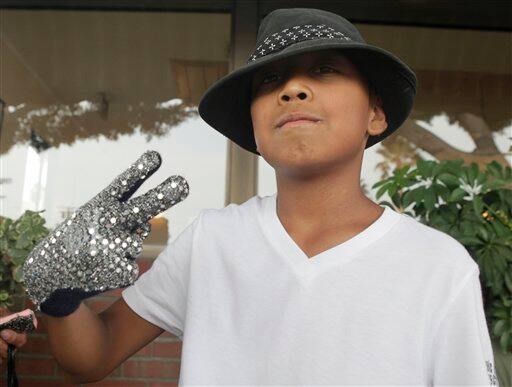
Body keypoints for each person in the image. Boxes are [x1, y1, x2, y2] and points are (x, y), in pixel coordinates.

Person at [22, 7, 499, 386]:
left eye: (324, 69)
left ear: (375, 113)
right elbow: (91, 358)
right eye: (269, 81)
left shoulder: (437, 265)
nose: (292, 89)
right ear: (252, 125)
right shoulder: (213, 240)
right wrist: (59, 298)